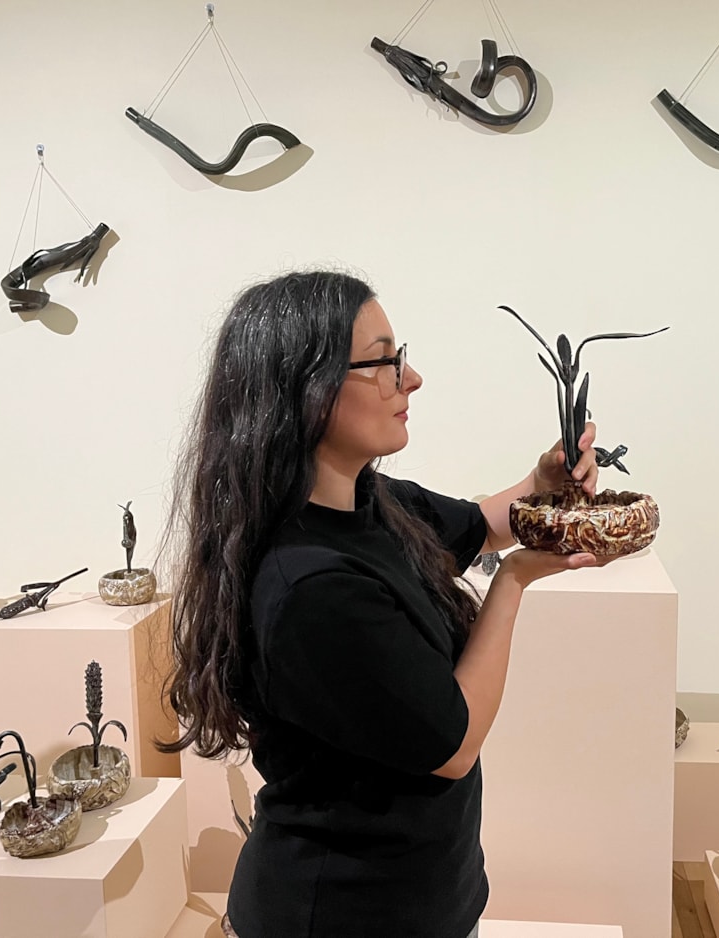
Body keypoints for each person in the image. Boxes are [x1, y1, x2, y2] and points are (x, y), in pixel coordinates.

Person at [162, 271, 609, 938]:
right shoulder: (311, 588)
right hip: (346, 912)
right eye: (383, 362)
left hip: (424, 896)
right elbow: (453, 742)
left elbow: (482, 524)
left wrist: (539, 486)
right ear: (307, 391)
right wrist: (513, 581)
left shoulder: (373, 502)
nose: (412, 379)